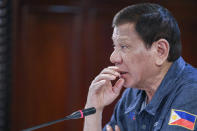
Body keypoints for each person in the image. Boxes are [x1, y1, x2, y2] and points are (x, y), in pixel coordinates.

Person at [83, 3, 197, 131]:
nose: (113, 58)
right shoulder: (132, 95)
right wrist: (93, 109)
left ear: (160, 51)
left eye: (124, 46)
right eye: (115, 46)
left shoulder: (192, 93)